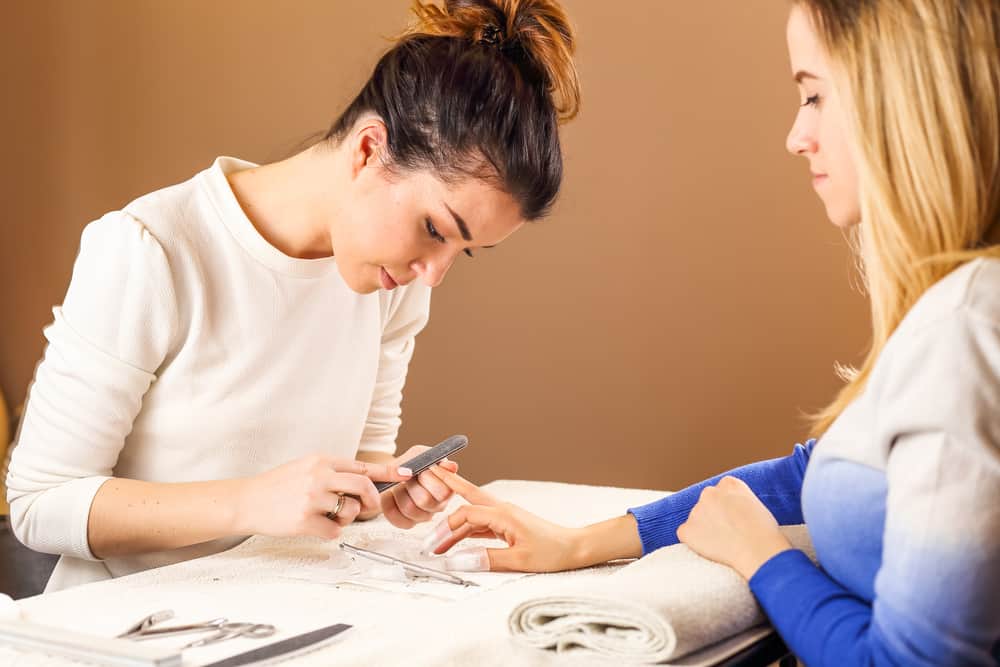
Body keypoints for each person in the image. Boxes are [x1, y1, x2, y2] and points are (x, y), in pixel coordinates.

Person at [424, 1, 1000, 664]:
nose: (795, 135)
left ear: (901, 98)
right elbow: (820, 471)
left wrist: (764, 558)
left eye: (813, 95)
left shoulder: (963, 331)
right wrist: (577, 542)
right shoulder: (953, 314)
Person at [5, 0, 580, 592]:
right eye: (436, 229)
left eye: (461, 250)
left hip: (282, 618)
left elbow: (346, 486)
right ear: (367, 150)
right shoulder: (152, 250)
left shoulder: (393, 284)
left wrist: (384, 492)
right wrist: (249, 502)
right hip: (119, 633)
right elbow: (38, 504)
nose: (432, 274)